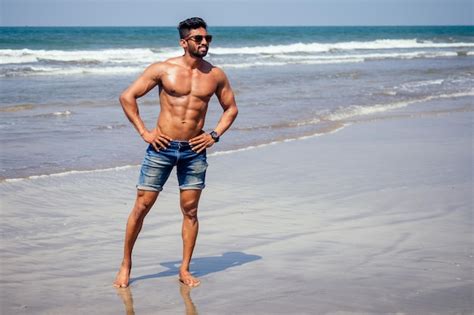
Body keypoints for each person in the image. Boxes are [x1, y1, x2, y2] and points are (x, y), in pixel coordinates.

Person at [113, 17, 238, 288]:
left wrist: (214, 135)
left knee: (190, 211)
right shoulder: (163, 69)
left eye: (208, 38)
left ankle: (184, 269)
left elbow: (231, 109)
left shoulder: (215, 75)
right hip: (161, 147)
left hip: (194, 150)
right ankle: (126, 264)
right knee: (142, 206)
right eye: (198, 39)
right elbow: (127, 96)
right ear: (184, 42)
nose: (204, 42)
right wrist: (145, 132)